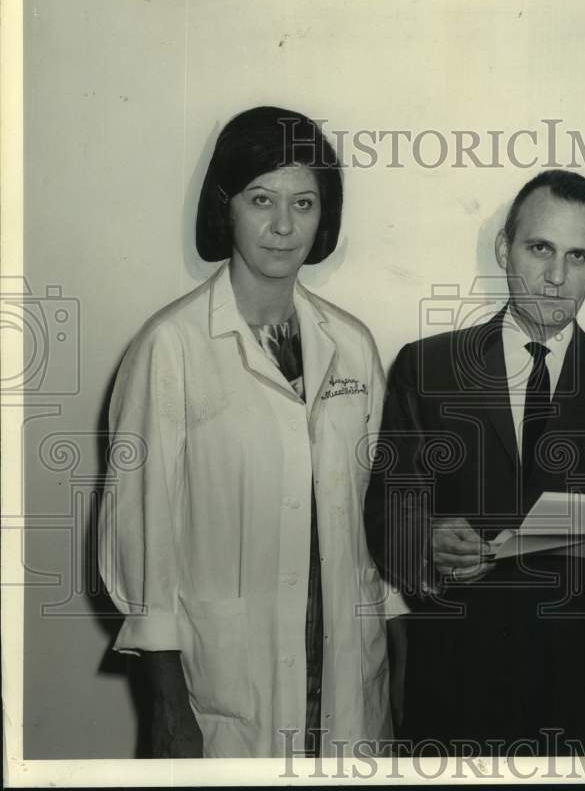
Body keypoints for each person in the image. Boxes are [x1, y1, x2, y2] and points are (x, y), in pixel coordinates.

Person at [98, 106, 392, 758]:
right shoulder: (169, 348)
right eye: (262, 200)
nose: (284, 226)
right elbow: (141, 543)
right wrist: (168, 706)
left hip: (346, 686)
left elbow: (370, 528)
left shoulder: (352, 345)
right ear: (226, 205)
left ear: (325, 217)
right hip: (227, 694)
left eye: (304, 203)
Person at [364, 169, 585, 755]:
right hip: (458, 693)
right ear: (505, 249)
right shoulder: (426, 369)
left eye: (578, 257)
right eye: (540, 249)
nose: (557, 278)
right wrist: (425, 541)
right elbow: (386, 518)